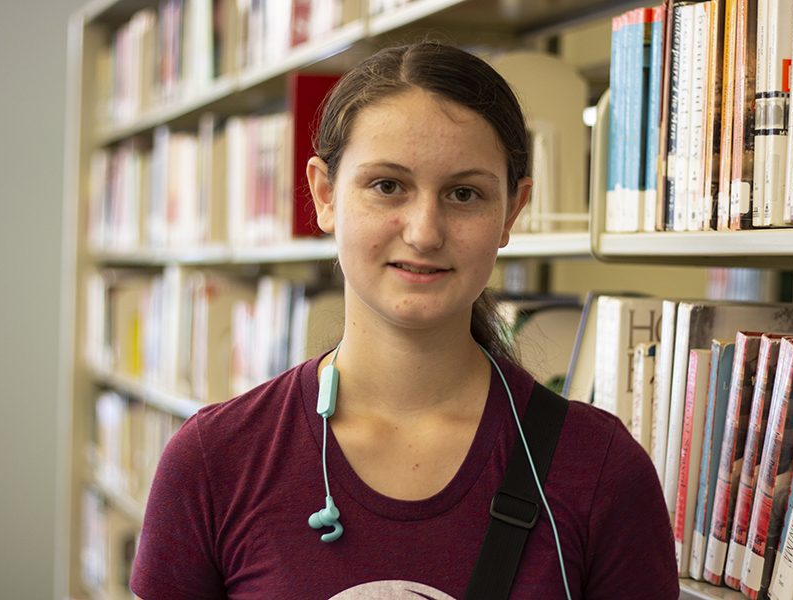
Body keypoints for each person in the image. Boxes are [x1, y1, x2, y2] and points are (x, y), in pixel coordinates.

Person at [129, 41, 679, 599]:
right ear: (324, 194)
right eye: (388, 185)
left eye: (464, 193)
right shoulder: (214, 461)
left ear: (512, 211)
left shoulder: (601, 471)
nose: (424, 232)